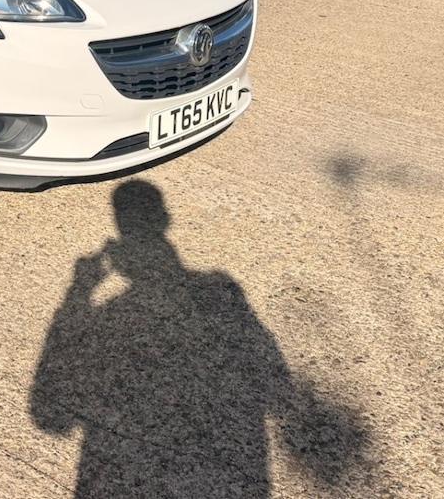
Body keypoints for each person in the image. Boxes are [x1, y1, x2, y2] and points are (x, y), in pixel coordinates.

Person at [30, 180, 371, 497]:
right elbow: (274, 382)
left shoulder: (114, 312)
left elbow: (49, 415)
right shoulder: (221, 290)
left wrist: (80, 290)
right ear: (165, 219)